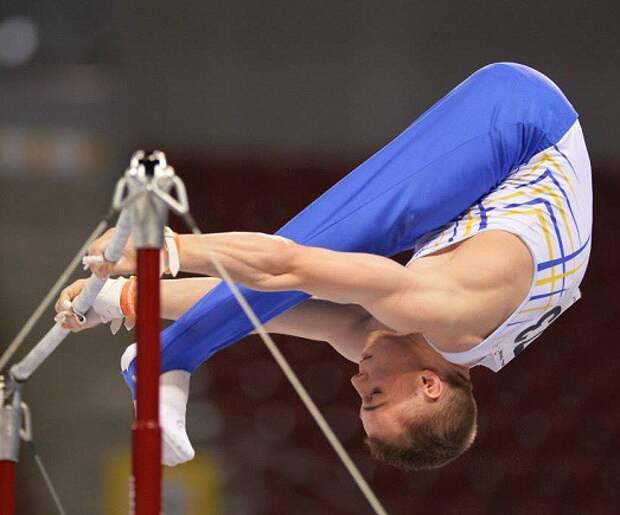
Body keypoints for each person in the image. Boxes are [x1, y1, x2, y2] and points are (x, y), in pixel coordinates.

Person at [55, 62, 592, 471]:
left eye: (362, 401)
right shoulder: (445, 310)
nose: (357, 382)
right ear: (430, 385)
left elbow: (265, 307)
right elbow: (287, 265)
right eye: (374, 395)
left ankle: (162, 355)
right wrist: (163, 250)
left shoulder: (401, 343)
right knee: (361, 233)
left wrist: (127, 299)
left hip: (503, 181)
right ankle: (169, 356)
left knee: (308, 281)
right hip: (529, 123)